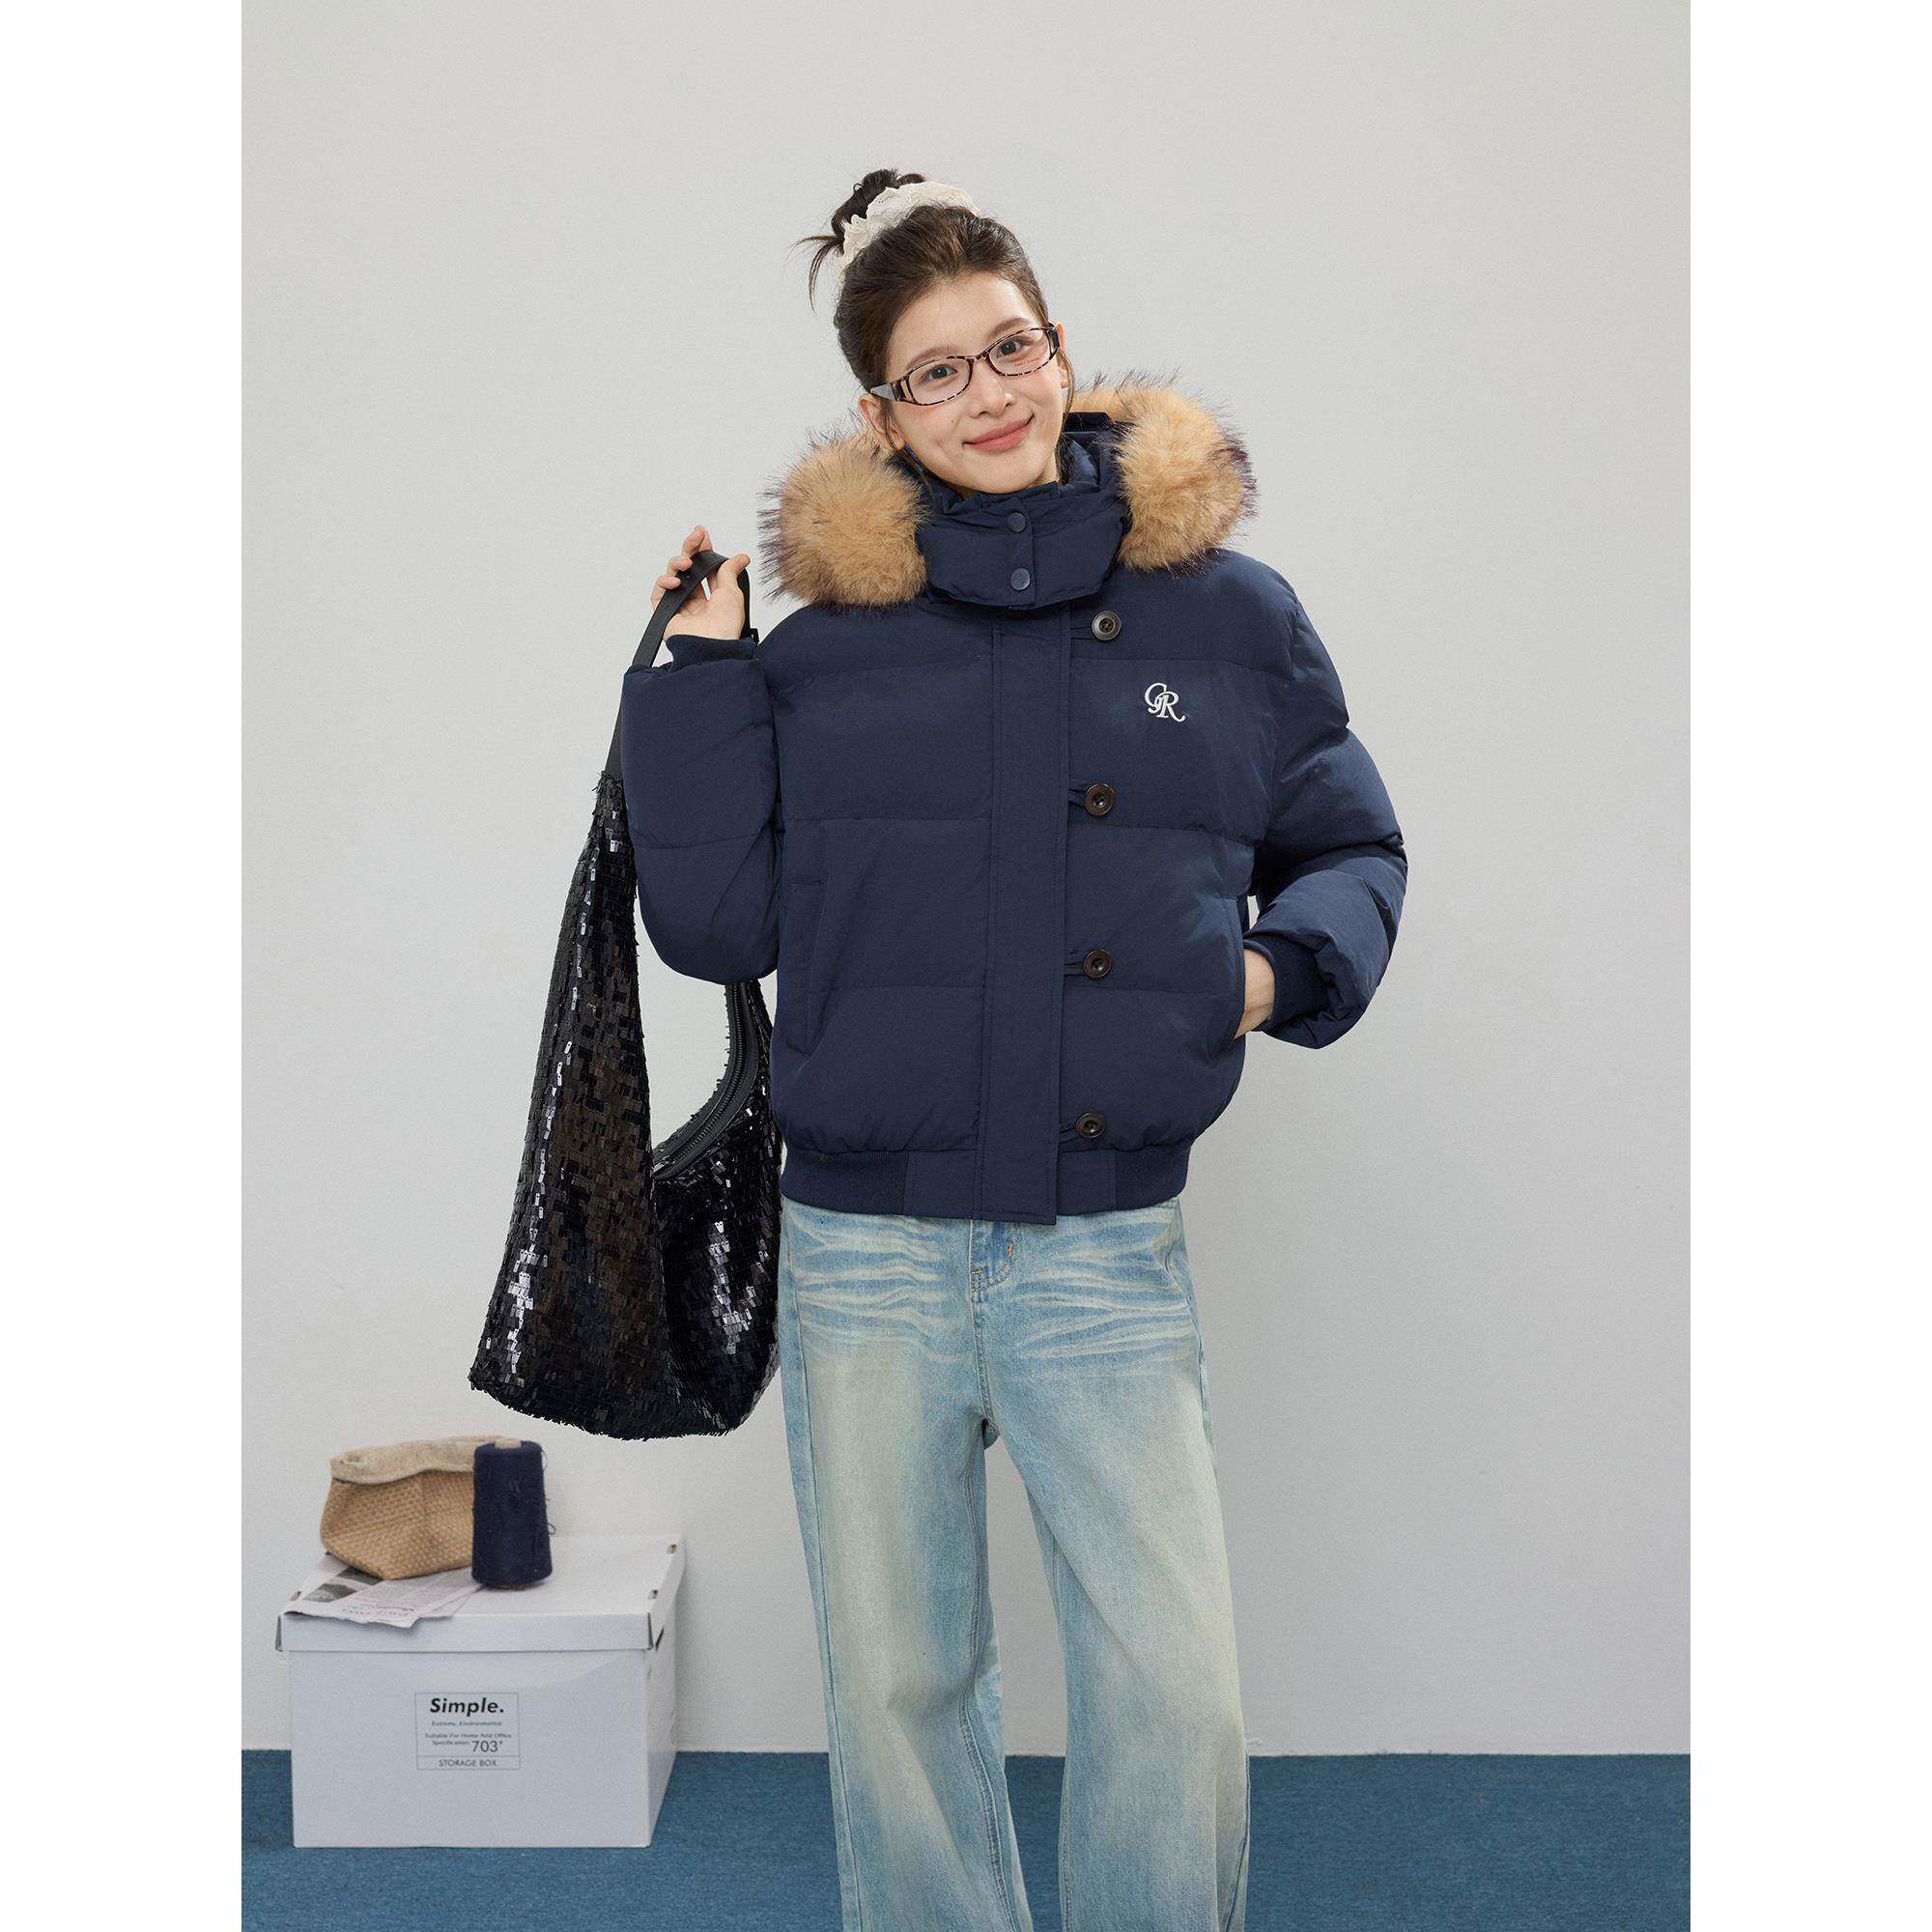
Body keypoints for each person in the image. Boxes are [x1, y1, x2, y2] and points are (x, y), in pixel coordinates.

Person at [619, 170, 1408, 1932]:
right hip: (866, 1253)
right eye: (937, 373)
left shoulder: (1231, 615)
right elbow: (718, 926)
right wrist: (693, 677)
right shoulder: (823, 653)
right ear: (878, 415)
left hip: (1103, 1247)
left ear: (1061, 347)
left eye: (1011, 347)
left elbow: (1351, 846)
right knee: (901, 1691)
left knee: (1175, 1691)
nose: (988, 395)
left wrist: (1267, 978)